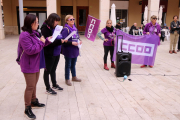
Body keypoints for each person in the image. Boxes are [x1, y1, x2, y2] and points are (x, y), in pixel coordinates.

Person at [17, 14, 52, 119]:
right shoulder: (24, 35)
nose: (38, 24)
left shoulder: (34, 33)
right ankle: (27, 108)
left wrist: (47, 40)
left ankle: (33, 101)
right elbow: (30, 50)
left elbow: (40, 44)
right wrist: (42, 43)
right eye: (36, 22)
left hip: (36, 63)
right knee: (30, 86)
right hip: (28, 65)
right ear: (31, 23)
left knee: (34, 84)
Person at [41, 13, 71, 95]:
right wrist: (60, 41)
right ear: (51, 20)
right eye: (56, 21)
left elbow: (58, 37)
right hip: (49, 53)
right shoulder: (45, 28)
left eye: (58, 21)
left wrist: (62, 39)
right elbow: (48, 43)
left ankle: (54, 84)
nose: (57, 23)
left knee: (53, 69)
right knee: (47, 70)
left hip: (56, 52)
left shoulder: (55, 27)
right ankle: (48, 88)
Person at [61, 15, 82, 86]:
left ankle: (74, 77)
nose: (72, 20)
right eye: (71, 19)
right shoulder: (65, 29)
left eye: (73, 19)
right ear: (67, 21)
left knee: (73, 64)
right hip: (68, 50)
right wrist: (72, 43)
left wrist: (80, 40)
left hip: (75, 49)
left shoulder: (75, 29)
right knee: (68, 65)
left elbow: (77, 37)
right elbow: (63, 40)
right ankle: (67, 79)